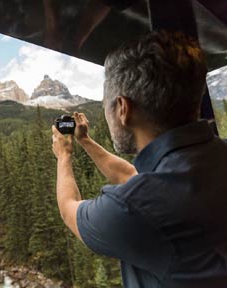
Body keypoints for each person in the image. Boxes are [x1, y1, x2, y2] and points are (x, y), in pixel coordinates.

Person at [51, 31, 227, 287]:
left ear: (123, 108)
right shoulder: (208, 158)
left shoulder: (132, 209)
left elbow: (69, 210)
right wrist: (85, 141)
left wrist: (63, 154)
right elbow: (131, 176)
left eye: (106, 107)